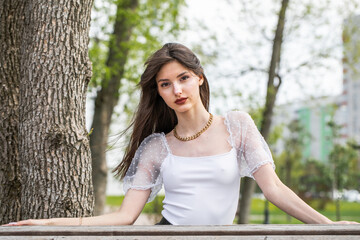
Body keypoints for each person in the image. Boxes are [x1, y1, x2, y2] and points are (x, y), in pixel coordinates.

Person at [5, 43, 358, 226]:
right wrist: (55, 221)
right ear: (158, 92)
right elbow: (125, 217)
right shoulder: (157, 148)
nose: (177, 89)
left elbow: (275, 189)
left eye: (184, 78)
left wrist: (330, 226)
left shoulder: (237, 126)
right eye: (165, 83)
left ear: (199, 78)